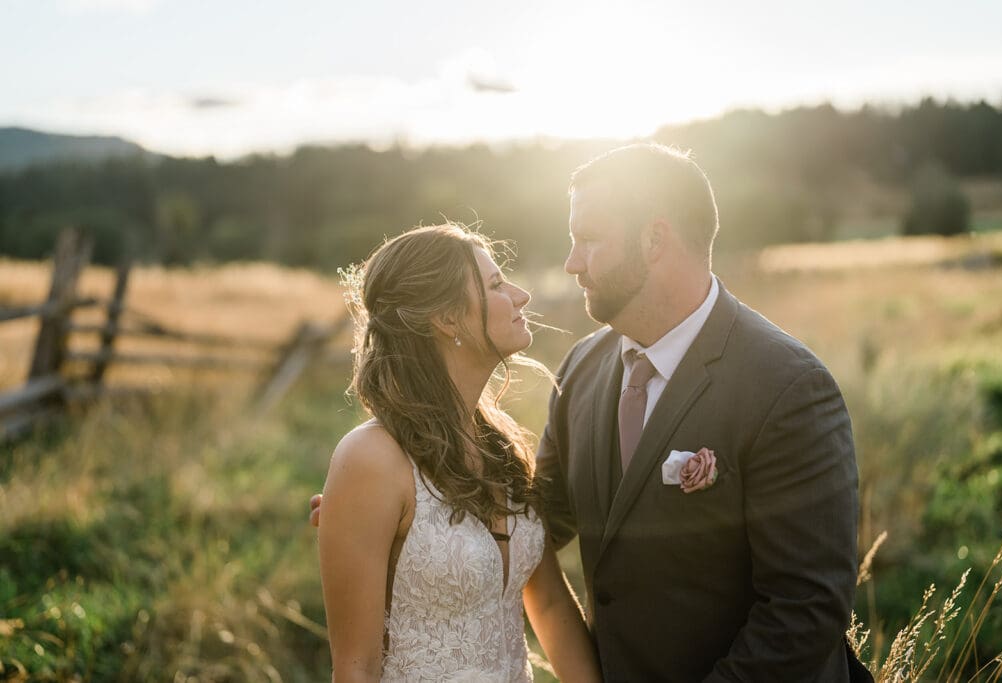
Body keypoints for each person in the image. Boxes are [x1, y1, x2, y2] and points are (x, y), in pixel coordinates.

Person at [536, 143, 867, 682]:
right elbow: (537, 523)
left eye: (589, 240)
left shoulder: (789, 387)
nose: (572, 262)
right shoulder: (580, 369)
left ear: (654, 239)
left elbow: (806, 610)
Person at [314, 224, 601, 682]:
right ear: (447, 319)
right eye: (495, 285)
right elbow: (356, 668)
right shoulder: (370, 459)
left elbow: (546, 601)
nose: (521, 295)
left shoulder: (502, 445)